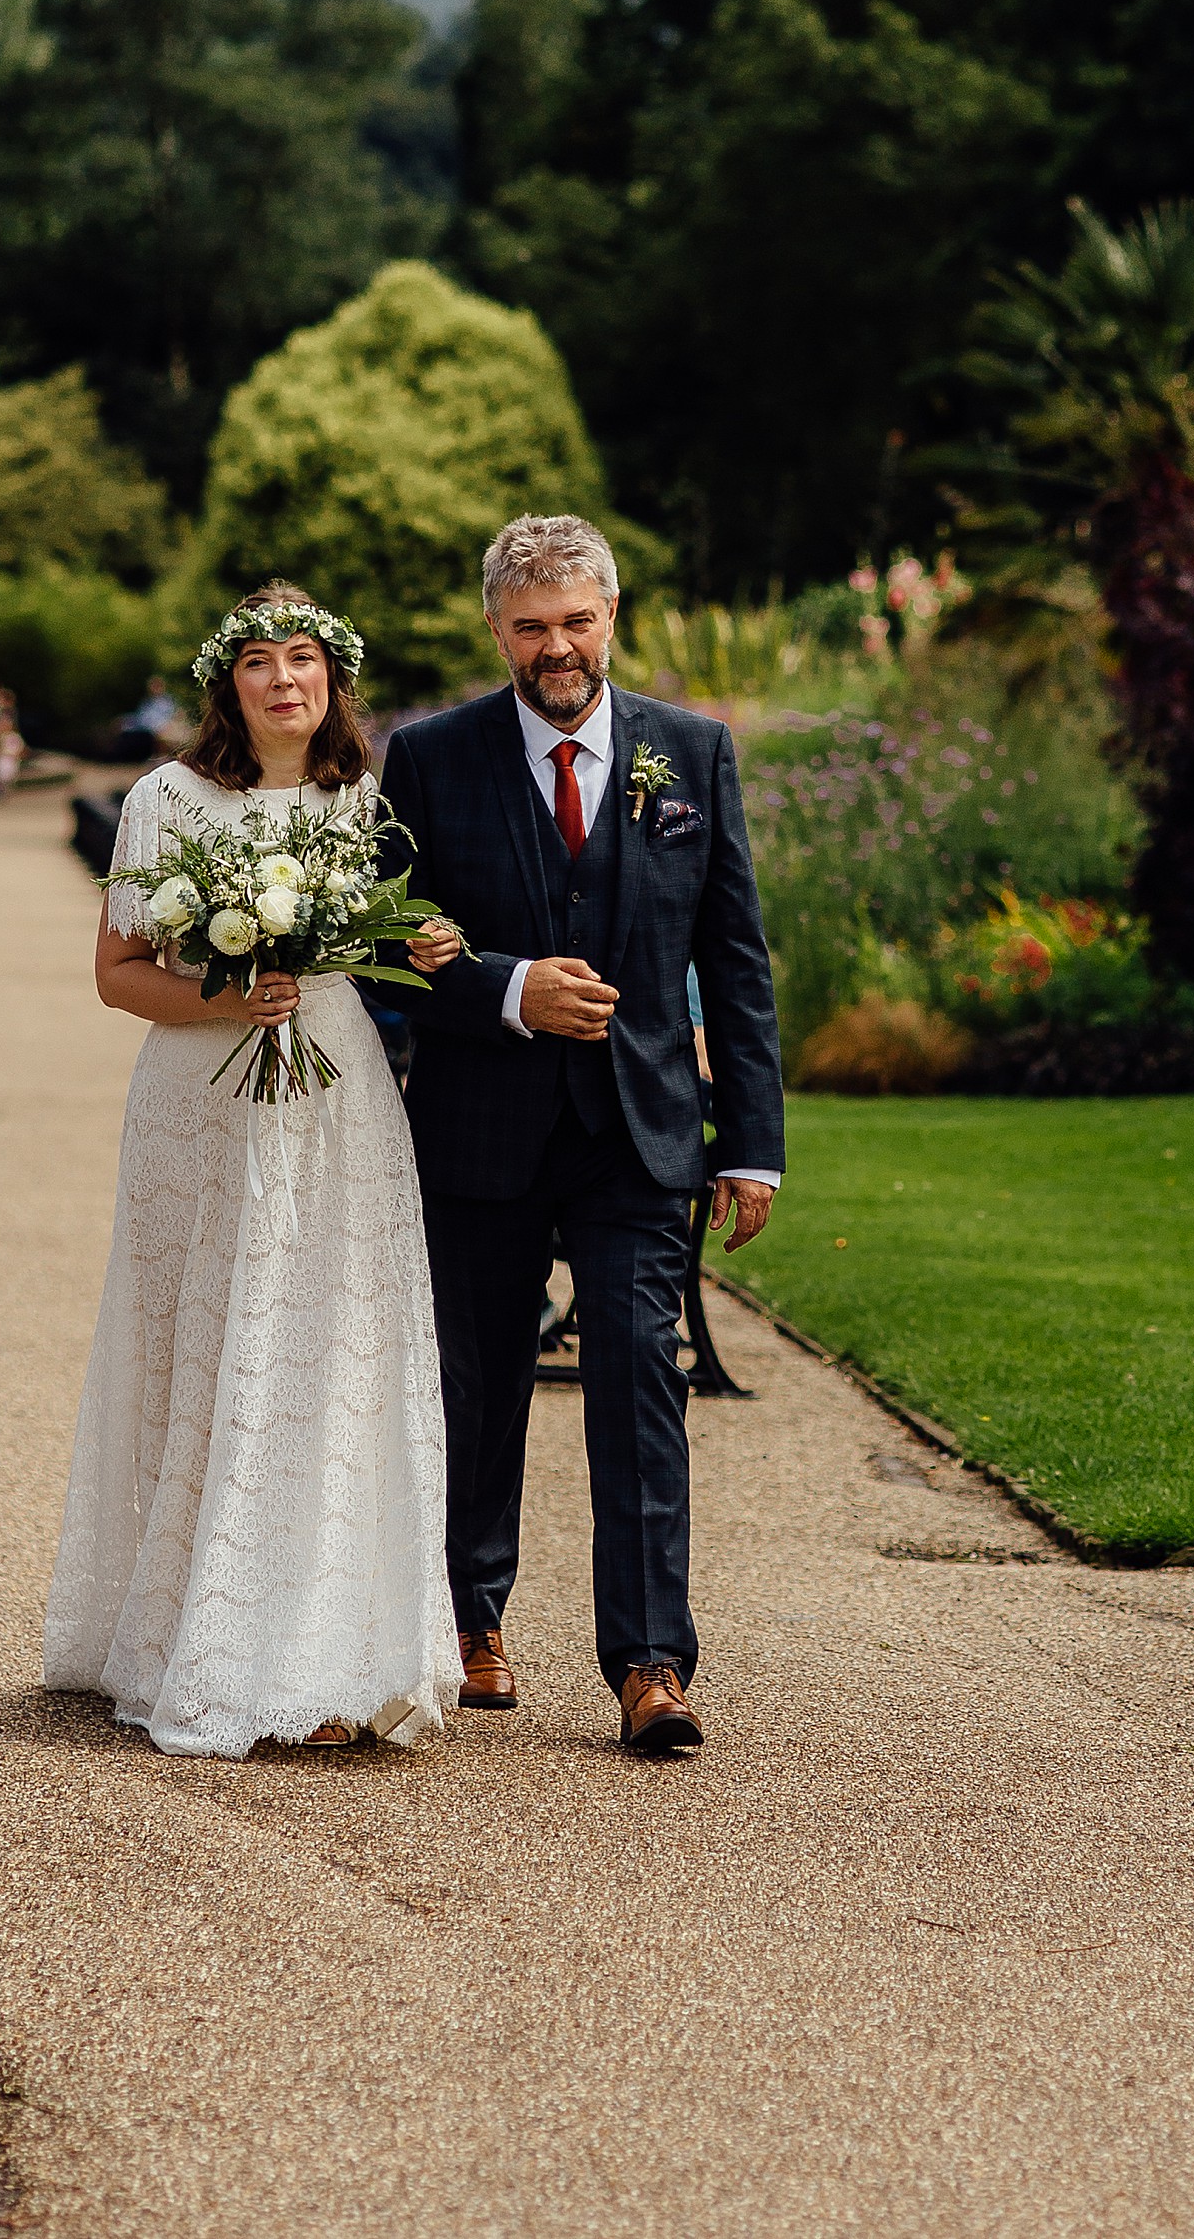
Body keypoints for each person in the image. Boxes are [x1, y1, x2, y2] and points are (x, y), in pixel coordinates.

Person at [381, 516, 785, 1756]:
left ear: (610, 615)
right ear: (494, 630)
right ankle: (468, 1623)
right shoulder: (429, 758)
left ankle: (649, 1663)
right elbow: (387, 953)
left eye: (575, 621)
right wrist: (506, 989)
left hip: (639, 1135)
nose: (555, 646)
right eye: (529, 626)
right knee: (475, 1384)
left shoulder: (693, 753)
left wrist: (749, 1141)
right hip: (479, 1127)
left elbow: (735, 960)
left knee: (636, 1381)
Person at [43, 582, 465, 1757]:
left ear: (332, 679)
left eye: (305, 660)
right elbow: (118, 973)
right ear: (226, 684)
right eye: (260, 662)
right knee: (209, 1341)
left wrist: (424, 939)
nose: (285, 679)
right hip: (201, 1102)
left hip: (335, 1091)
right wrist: (225, 996)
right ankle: (192, 1634)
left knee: (329, 1345)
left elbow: (393, 944)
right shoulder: (164, 802)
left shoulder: (367, 800)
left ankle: (334, 1649)